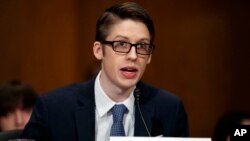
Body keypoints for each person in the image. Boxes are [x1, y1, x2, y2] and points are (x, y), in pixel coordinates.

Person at [21, 2, 188, 141]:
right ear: (98, 50)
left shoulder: (169, 109)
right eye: (121, 44)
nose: (133, 56)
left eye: (142, 46)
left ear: (149, 56)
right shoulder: (54, 108)